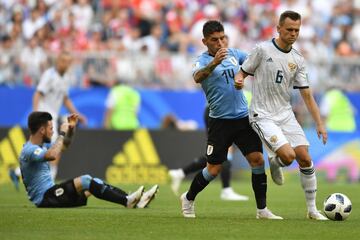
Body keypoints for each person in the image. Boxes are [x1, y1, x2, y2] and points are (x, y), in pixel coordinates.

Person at [180, 20, 282, 219]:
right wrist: (215, 62)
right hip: (220, 122)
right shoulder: (201, 61)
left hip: (243, 118)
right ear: (204, 41)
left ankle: (262, 210)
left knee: (257, 160)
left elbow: (254, 62)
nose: (220, 43)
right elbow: (197, 77)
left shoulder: (234, 54)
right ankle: (188, 198)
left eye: (222, 38)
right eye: (214, 40)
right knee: (213, 169)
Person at [234, 10, 328, 220]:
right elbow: (242, 71)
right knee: (289, 156)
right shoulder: (262, 50)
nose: (293, 33)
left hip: (285, 115)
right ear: (278, 28)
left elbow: (306, 94)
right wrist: (239, 80)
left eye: (297, 30)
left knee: (305, 158)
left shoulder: (297, 59)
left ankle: (312, 210)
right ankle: (277, 160)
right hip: (262, 115)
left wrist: (320, 124)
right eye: (289, 29)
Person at [20, 111, 159, 208]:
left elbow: (64, 145)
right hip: (45, 198)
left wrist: (70, 130)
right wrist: (62, 132)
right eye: (50, 128)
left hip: (53, 194)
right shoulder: (29, 150)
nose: (52, 131)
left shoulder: (42, 145)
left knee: (95, 182)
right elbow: (52, 155)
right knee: (85, 180)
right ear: (42, 130)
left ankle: (135, 200)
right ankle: (127, 201)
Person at [169, 105, 249, 201]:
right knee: (223, 150)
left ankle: (180, 173)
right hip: (220, 111)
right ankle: (226, 190)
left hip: (224, 111)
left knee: (217, 154)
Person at [32, 50, 87, 180]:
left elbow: (65, 99)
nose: (65, 64)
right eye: (63, 61)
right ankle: (50, 180)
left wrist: (78, 114)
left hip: (53, 116)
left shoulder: (66, 78)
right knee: (57, 145)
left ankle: (18, 172)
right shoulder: (49, 75)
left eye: (68, 62)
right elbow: (38, 94)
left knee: (43, 149)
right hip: (44, 114)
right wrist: (35, 114)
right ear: (58, 61)